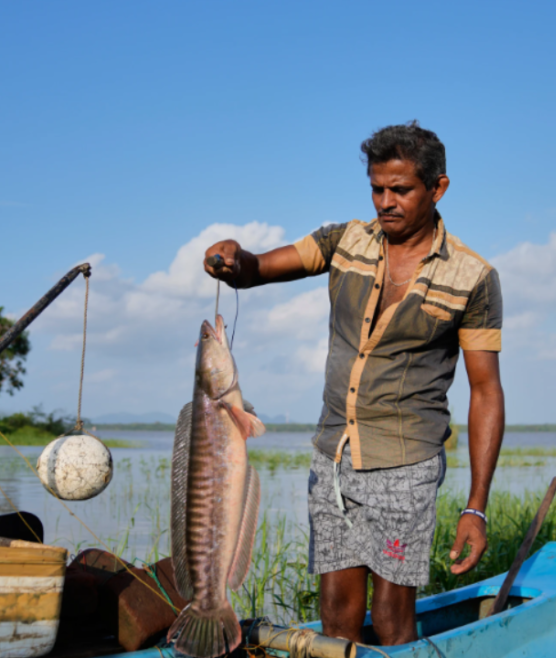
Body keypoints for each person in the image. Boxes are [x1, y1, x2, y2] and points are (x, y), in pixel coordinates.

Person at [203, 122, 505, 645]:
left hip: (406, 463)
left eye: (401, 190)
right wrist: (233, 258)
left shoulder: (472, 278)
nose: (386, 202)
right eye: (377, 189)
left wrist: (475, 507)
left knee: (390, 616)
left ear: (437, 188)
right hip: (333, 458)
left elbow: (486, 391)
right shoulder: (343, 242)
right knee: (337, 614)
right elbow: (257, 268)